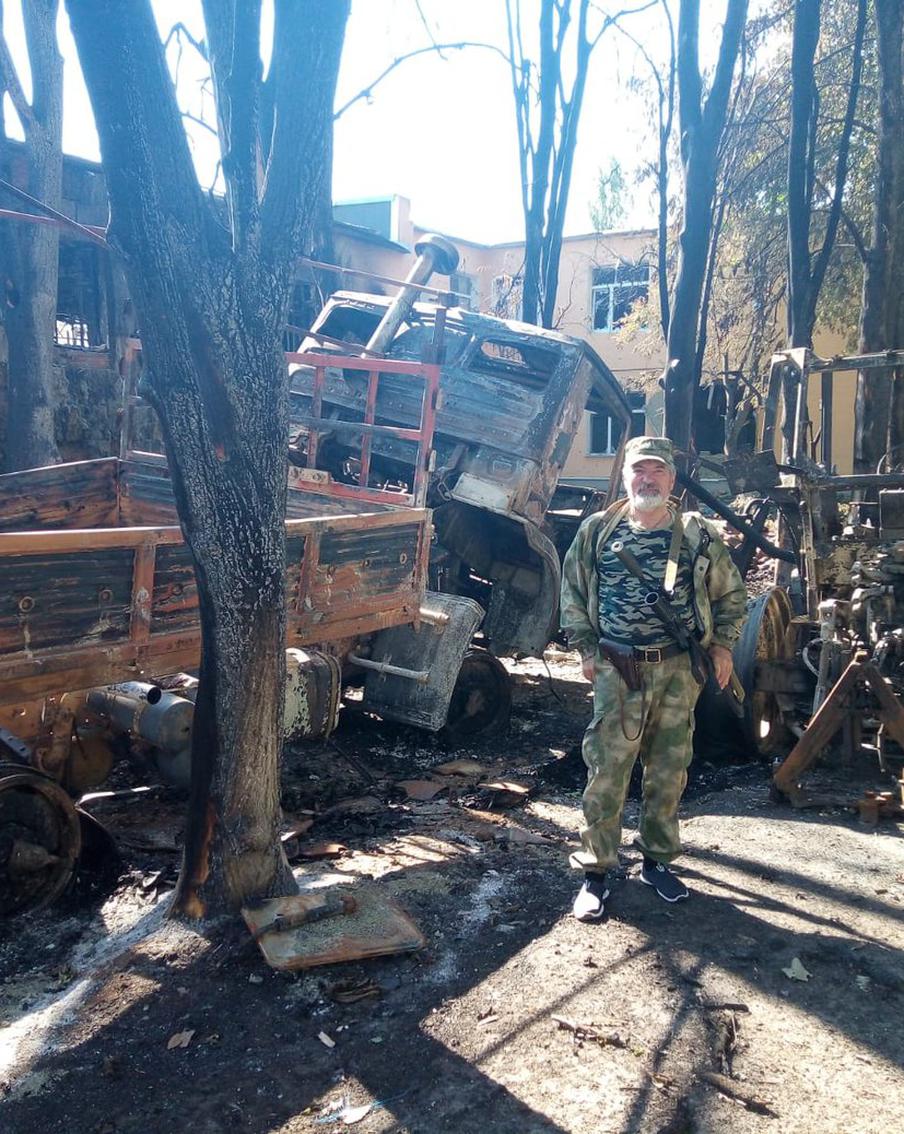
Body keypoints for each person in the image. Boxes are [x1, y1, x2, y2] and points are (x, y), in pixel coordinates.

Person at [560, 435, 747, 921]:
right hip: (617, 668)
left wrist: (724, 645)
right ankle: (596, 872)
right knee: (607, 769)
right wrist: (584, 649)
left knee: (669, 768)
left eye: (657, 471)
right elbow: (573, 594)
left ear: (671, 478)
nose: (647, 479)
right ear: (625, 476)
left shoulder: (698, 534)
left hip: (677, 671)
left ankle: (657, 862)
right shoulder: (599, 530)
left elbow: (731, 595)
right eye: (638, 470)